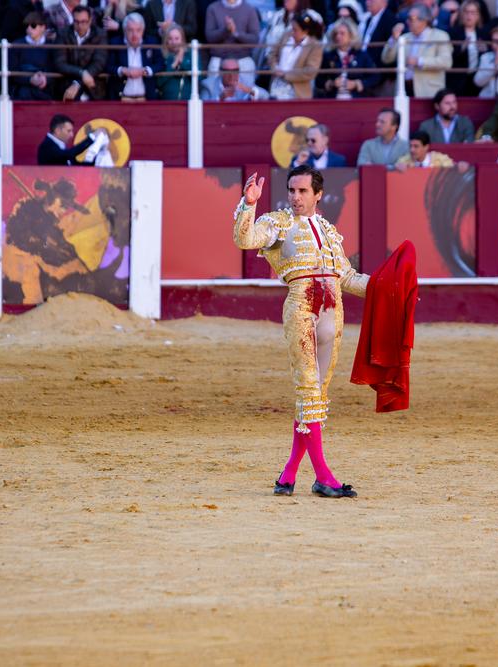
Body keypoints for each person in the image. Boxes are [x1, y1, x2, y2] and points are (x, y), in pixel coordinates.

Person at [233, 165, 368, 498]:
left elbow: (348, 278)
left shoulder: (328, 230)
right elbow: (245, 239)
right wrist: (249, 205)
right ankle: (324, 476)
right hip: (303, 312)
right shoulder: (278, 223)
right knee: (309, 391)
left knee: (316, 398)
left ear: (318, 194)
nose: (295, 197)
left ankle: (288, 475)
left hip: (332, 316)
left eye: (303, 191)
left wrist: (392, 287)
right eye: (292, 190)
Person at [381, 4, 453, 99]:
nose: (407, 21)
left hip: (428, 91)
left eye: (411, 18)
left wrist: (419, 61)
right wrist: (394, 38)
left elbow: (446, 62)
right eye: (408, 18)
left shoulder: (440, 36)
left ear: (424, 20)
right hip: (404, 90)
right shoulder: (405, 37)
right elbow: (386, 59)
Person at [54, 4, 108, 101]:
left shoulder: (100, 34)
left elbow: (99, 62)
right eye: (76, 22)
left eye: (83, 22)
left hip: (93, 86)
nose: (80, 26)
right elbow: (60, 63)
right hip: (68, 85)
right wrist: (82, 73)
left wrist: (78, 83)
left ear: (90, 20)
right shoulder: (63, 34)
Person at [106, 12, 163, 101]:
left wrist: (145, 70)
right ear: (124, 30)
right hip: (121, 99)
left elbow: (160, 63)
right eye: (130, 30)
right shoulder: (115, 43)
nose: (134, 34)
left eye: (138, 30)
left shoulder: (151, 42)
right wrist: (123, 70)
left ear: (143, 30)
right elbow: (107, 66)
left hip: (146, 99)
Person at [204, 0, 260, 89]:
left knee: (246, 95)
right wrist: (225, 30)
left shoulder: (250, 9)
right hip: (219, 59)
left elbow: (254, 39)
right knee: (214, 95)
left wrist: (236, 33)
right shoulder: (212, 9)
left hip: (243, 59)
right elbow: (210, 37)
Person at [267, 11, 323, 99]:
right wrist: (275, 67)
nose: (292, 32)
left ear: (305, 31)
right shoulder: (286, 35)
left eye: (295, 30)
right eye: (292, 28)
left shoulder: (315, 46)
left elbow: (310, 71)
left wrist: (286, 75)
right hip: (276, 85)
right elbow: (272, 54)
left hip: (297, 91)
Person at [317, 17, 377, 98]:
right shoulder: (328, 56)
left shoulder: (361, 55)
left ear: (351, 36)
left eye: (342, 33)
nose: (338, 37)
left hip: (357, 100)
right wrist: (332, 83)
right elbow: (318, 79)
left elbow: (375, 77)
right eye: (336, 34)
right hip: (333, 100)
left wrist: (356, 84)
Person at [446, 0, 488, 96]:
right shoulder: (453, 33)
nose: (469, 16)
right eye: (466, 12)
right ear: (462, 14)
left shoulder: (484, 34)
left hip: (478, 80)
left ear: (478, 16)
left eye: (473, 13)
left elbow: (488, 56)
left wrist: (484, 50)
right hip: (457, 80)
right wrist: (461, 48)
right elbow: (448, 58)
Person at [9, 12, 52, 101]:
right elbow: (13, 70)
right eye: (26, 26)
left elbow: (54, 67)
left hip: (45, 91)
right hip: (22, 92)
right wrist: (30, 79)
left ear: (43, 27)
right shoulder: (17, 45)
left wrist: (46, 79)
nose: (29, 29)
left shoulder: (51, 45)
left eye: (33, 25)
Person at [358, 0, 396, 95]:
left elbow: (392, 50)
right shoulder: (368, 20)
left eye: (372, 0)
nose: (367, 3)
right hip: (367, 76)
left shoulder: (391, 20)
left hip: (383, 78)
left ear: (384, 2)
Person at [199, 55, 268, 99]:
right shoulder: (208, 85)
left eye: (235, 71)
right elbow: (204, 107)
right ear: (220, 72)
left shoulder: (246, 82)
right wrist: (221, 97)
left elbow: (266, 96)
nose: (231, 75)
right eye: (227, 71)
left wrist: (250, 91)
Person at [157, 22, 193, 100]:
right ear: (166, 41)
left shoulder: (191, 54)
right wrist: (174, 64)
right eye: (170, 38)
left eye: (177, 38)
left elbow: (199, 78)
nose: (174, 42)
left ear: (182, 40)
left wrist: (182, 62)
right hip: (166, 102)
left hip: (187, 101)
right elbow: (158, 82)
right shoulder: (161, 55)